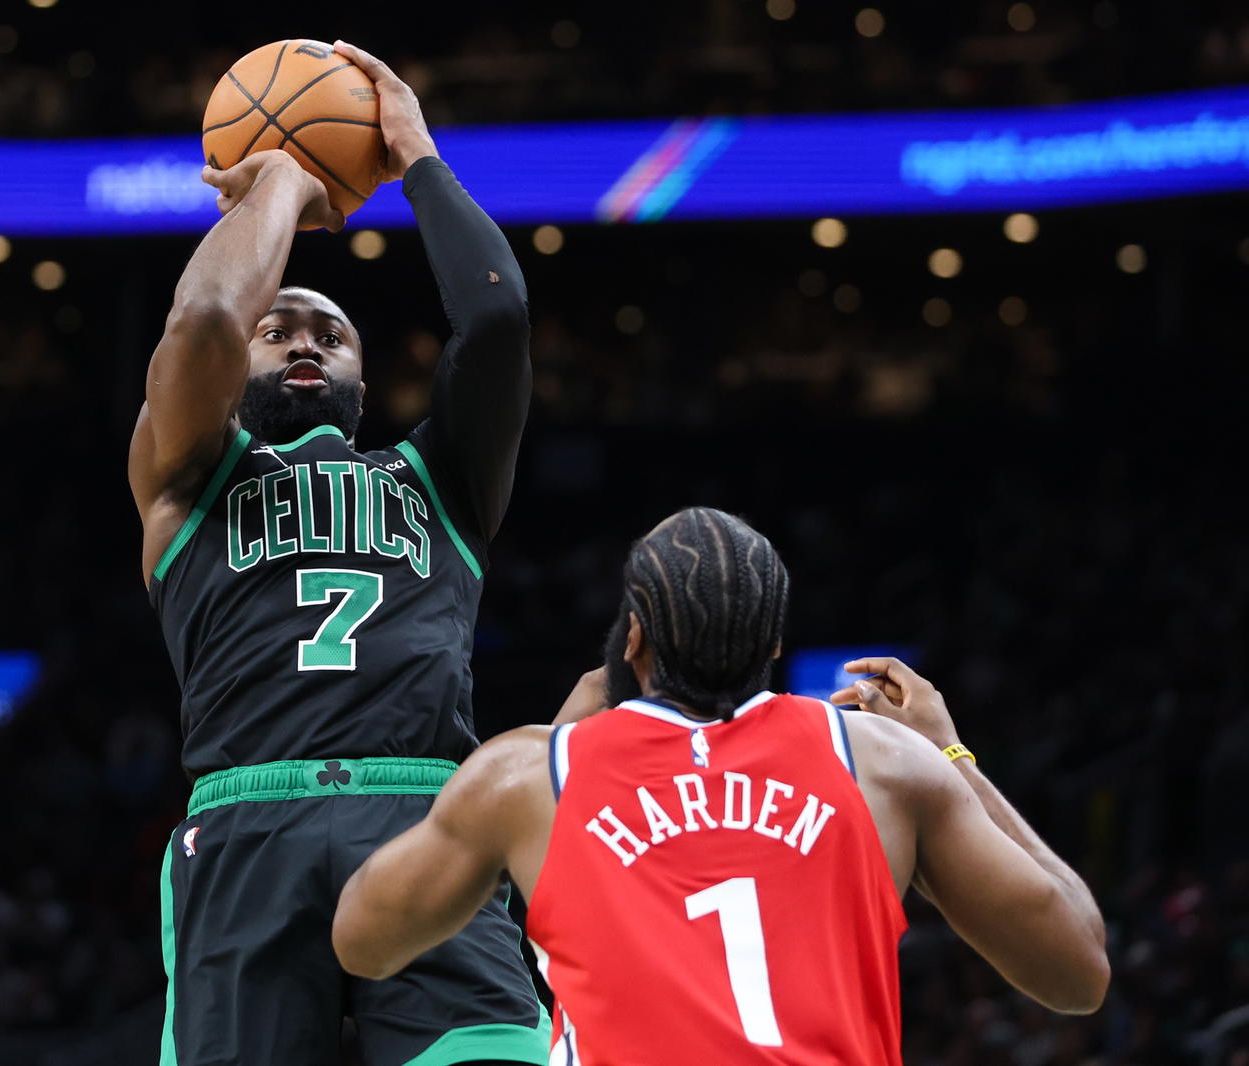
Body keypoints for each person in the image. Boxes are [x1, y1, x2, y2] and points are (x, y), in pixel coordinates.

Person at [126, 39, 548, 1066]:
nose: (304, 339)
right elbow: (206, 317)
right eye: (281, 330)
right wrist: (276, 182)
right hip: (245, 819)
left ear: (366, 380)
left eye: (330, 332)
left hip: (423, 817)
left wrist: (412, 155)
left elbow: (494, 316)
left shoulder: (438, 479)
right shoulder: (187, 473)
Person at [333, 507, 1109, 1065]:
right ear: (774, 645)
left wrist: (544, 753)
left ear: (632, 640)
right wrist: (952, 756)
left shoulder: (532, 773)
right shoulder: (884, 764)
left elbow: (363, 942)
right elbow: (1079, 973)